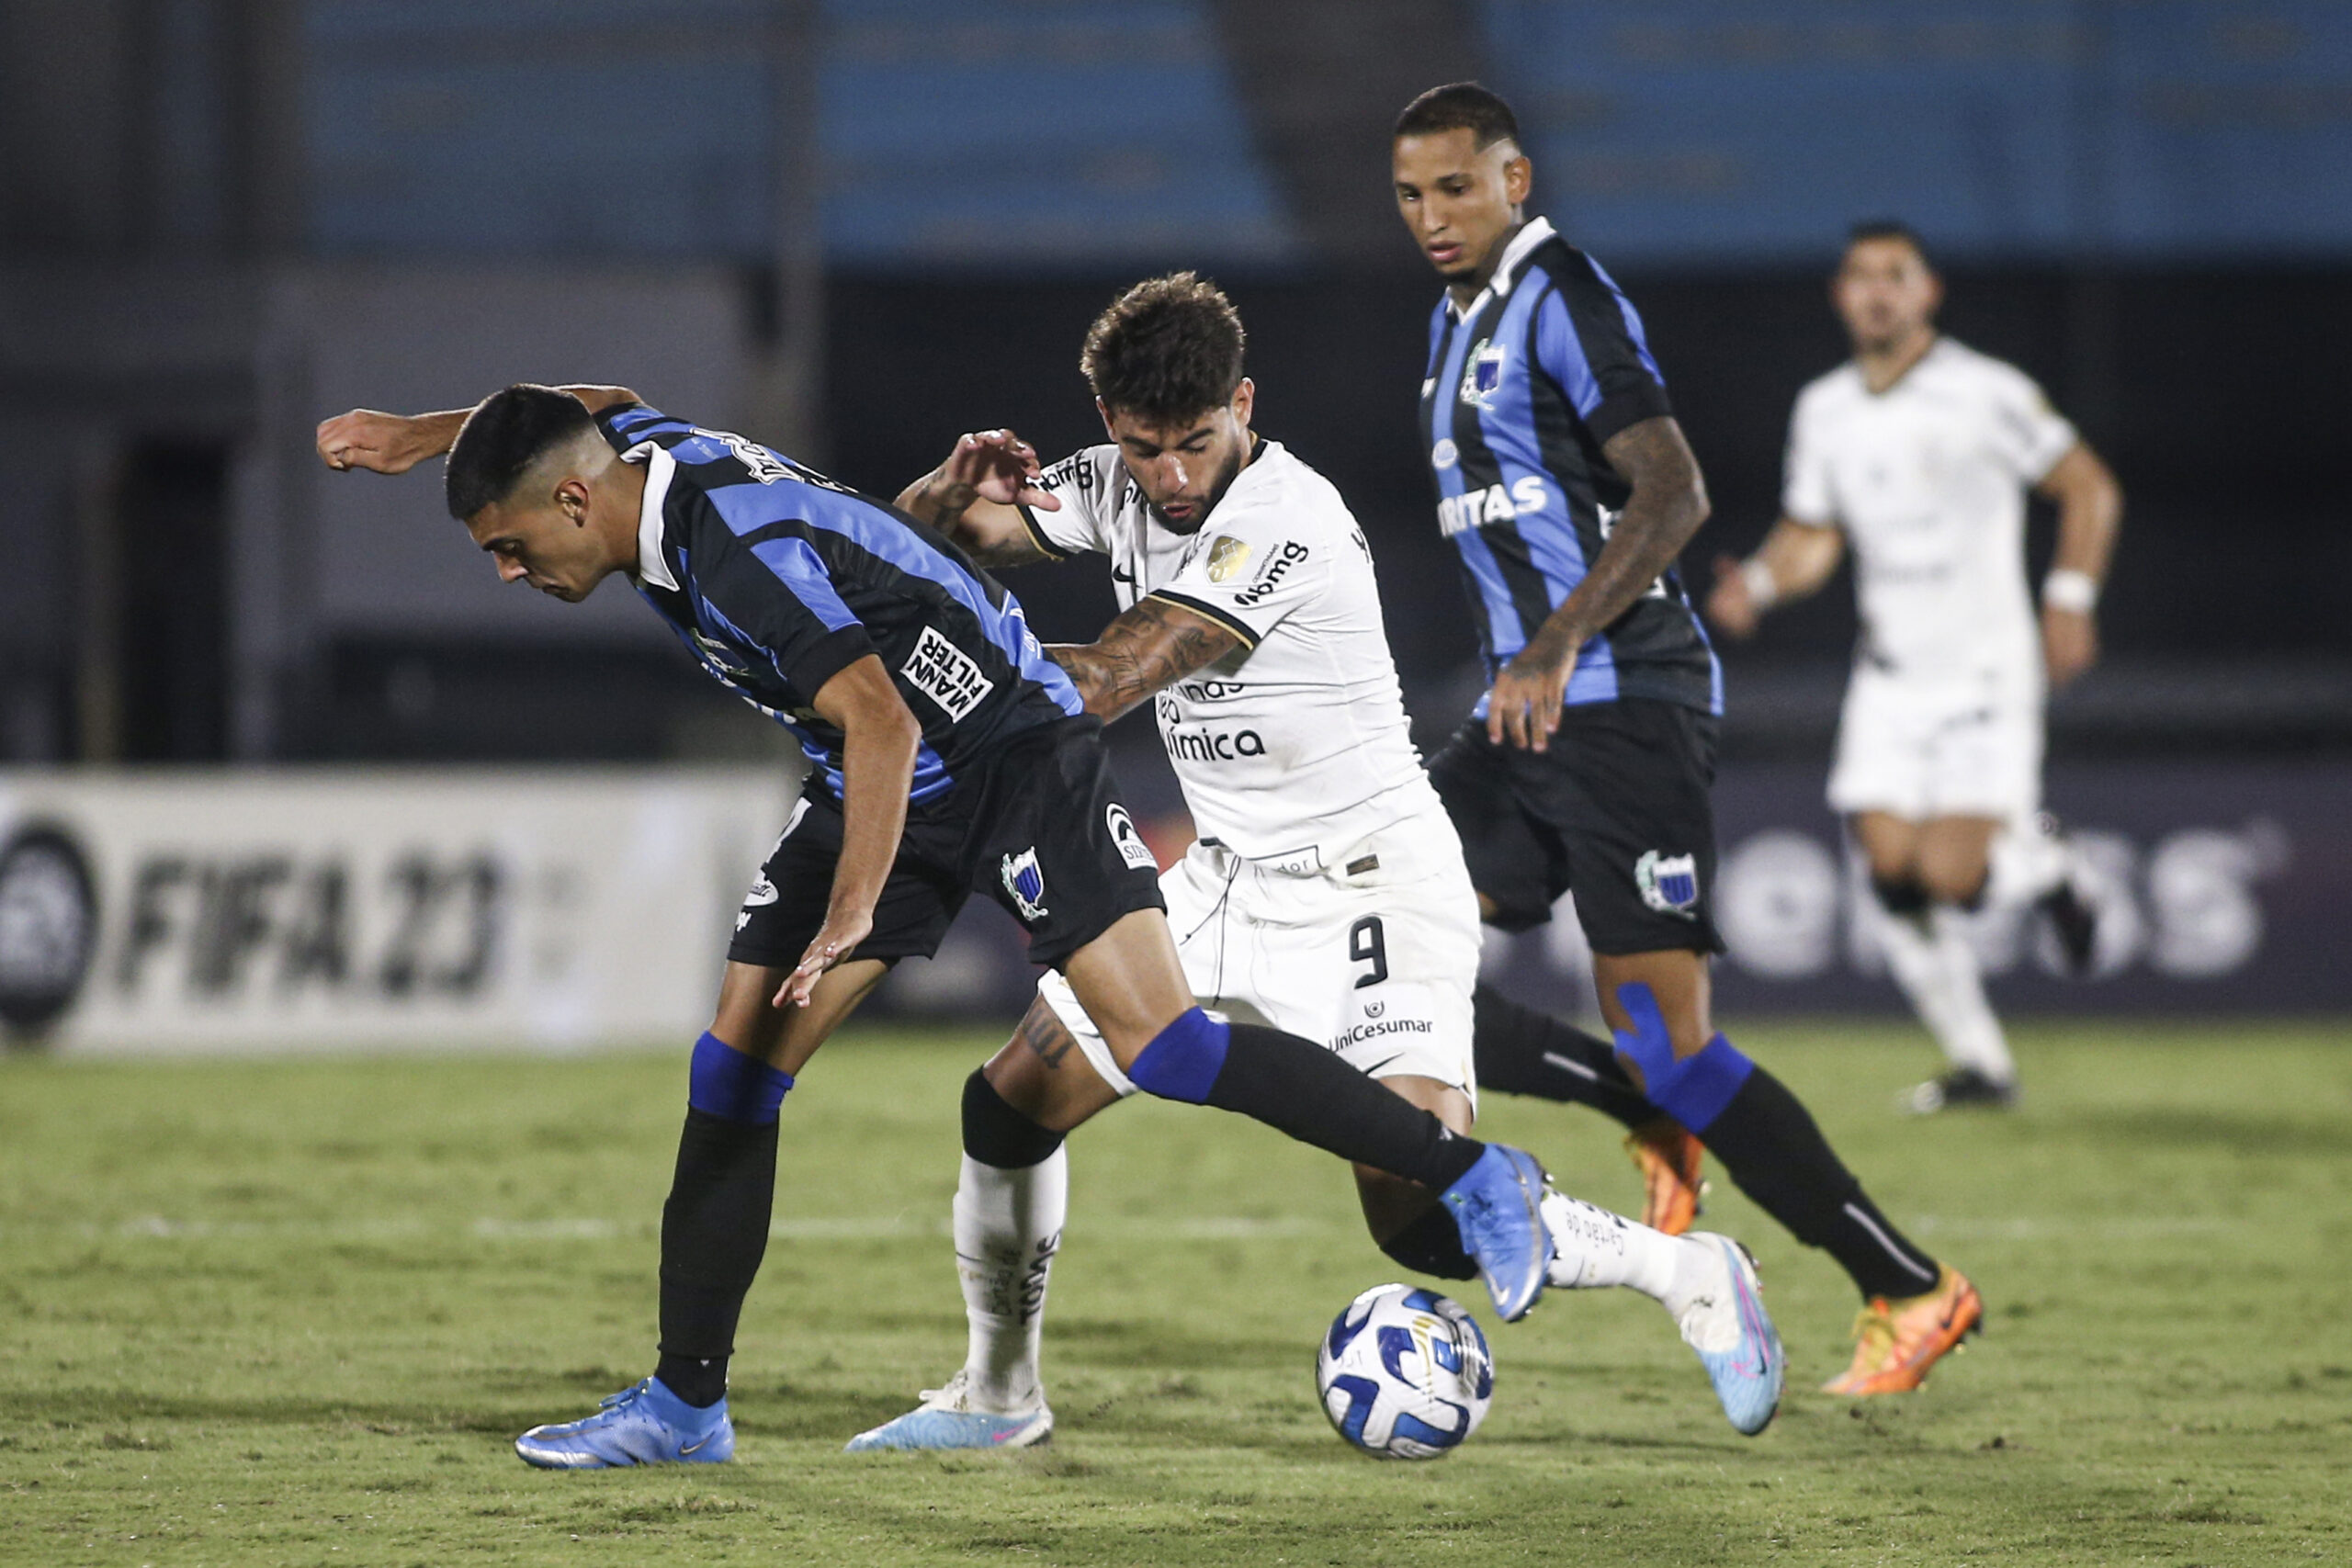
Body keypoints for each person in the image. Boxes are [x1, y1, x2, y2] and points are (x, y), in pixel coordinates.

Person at [313, 383, 1564, 1468]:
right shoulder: (630, 452)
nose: (507, 569)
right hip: (887, 782)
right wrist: (422, 436)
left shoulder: (727, 549)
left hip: (1009, 749)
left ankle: (1473, 1175)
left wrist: (853, 908)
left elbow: (883, 719)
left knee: (1166, 1046)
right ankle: (686, 1400)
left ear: (575, 504)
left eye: (508, 541)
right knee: (735, 1068)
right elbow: (578, 398)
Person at [833, 274, 1784, 1451]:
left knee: (1414, 1214)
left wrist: (918, 658)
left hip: (1370, 880)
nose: (1172, 478)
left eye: (1196, 443)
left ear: (1243, 403)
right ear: (1109, 426)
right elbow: (932, 545)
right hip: (1225, 877)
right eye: (1144, 451)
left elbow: (1107, 681)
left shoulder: (1286, 518)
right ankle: (997, 1393)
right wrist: (935, 494)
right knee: (1009, 1100)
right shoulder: (1109, 481)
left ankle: (1686, 1272)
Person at [1389, 82, 1979, 1397]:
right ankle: (1634, 1102)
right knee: (1383, 958)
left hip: (1622, 703)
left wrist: (1551, 642)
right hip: (1519, 714)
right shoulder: (1451, 320)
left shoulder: (1563, 296)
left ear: (1515, 180)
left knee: (1675, 1037)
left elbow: (1675, 489)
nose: (1433, 216)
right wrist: (1521, 667)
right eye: (1413, 195)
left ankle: (1910, 1283)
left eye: (1457, 188)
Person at [1706, 220, 2123, 1113]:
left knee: (1948, 876)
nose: (1877, 291)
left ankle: (2050, 870)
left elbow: (2087, 485)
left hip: (1983, 669)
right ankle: (1980, 1066)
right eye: (1860, 276)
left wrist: (2071, 597)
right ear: (1840, 296)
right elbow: (1814, 534)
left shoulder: (1985, 391)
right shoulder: (1824, 408)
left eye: (1894, 275)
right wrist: (1762, 585)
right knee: (1889, 874)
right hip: (1889, 675)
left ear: (1926, 291)